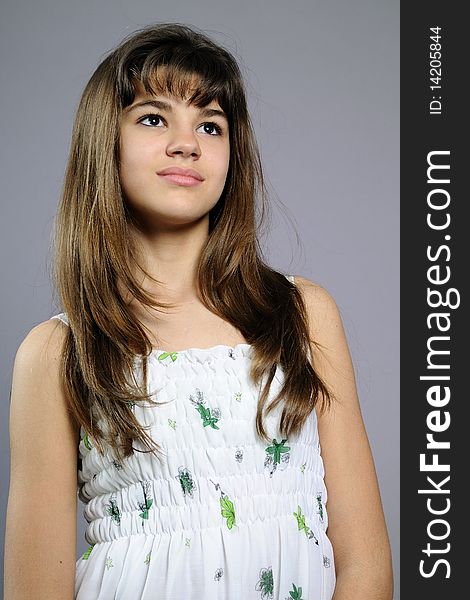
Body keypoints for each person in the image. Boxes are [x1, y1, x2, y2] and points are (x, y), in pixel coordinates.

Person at [4, 22, 393, 600]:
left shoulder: (301, 315)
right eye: (154, 118)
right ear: (103, 142)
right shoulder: (59, 351)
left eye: (210, 125)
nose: (187, 142)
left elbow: (366, 566)